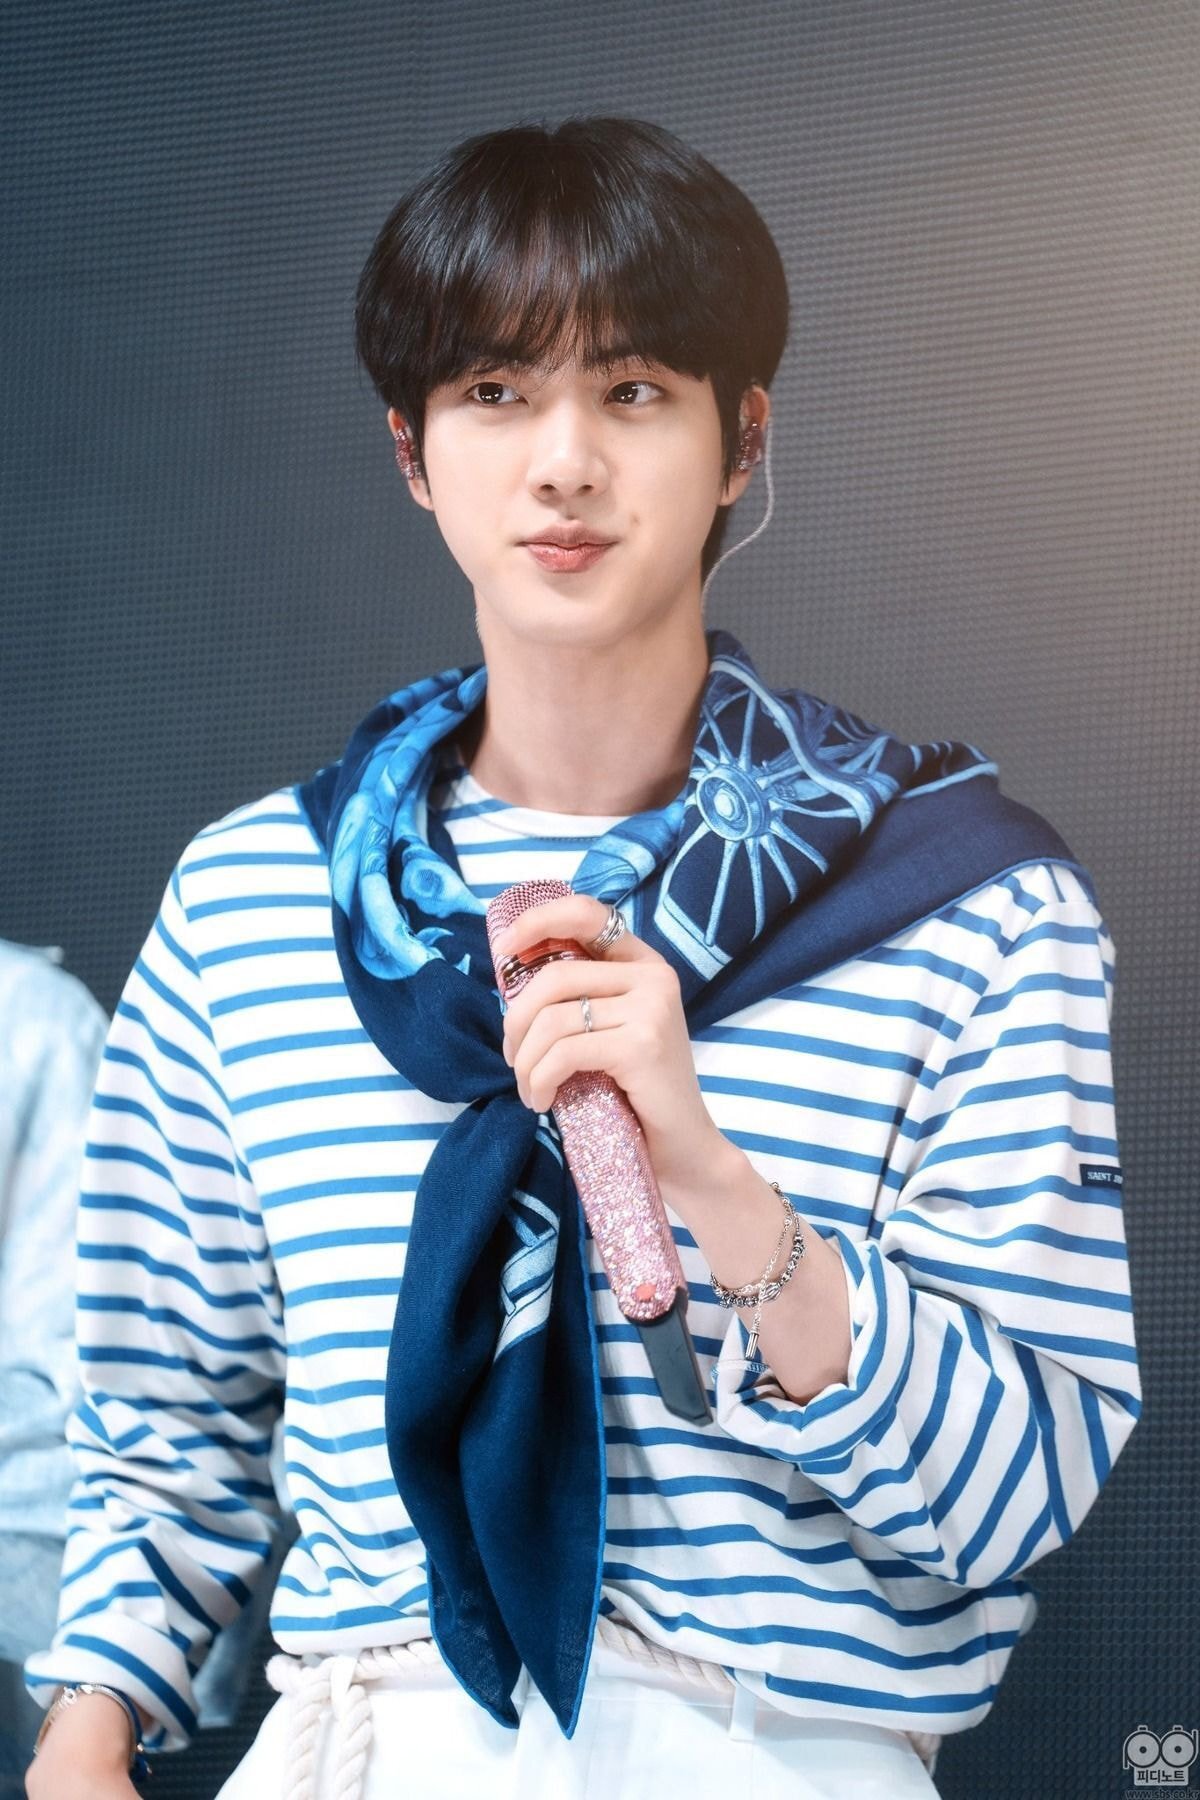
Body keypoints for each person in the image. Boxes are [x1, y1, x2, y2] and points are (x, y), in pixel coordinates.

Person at [24, 115, 1141, 1800]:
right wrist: (85, 1739)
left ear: (741, 439)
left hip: (776, 1754)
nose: (562, 463)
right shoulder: (255, 899)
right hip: (363, 1743)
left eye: (632, 390)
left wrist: (713, 1180)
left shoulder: (965, 905)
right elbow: (162, 1424)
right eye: (493, 392)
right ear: (411, 450)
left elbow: (1023, 1488)